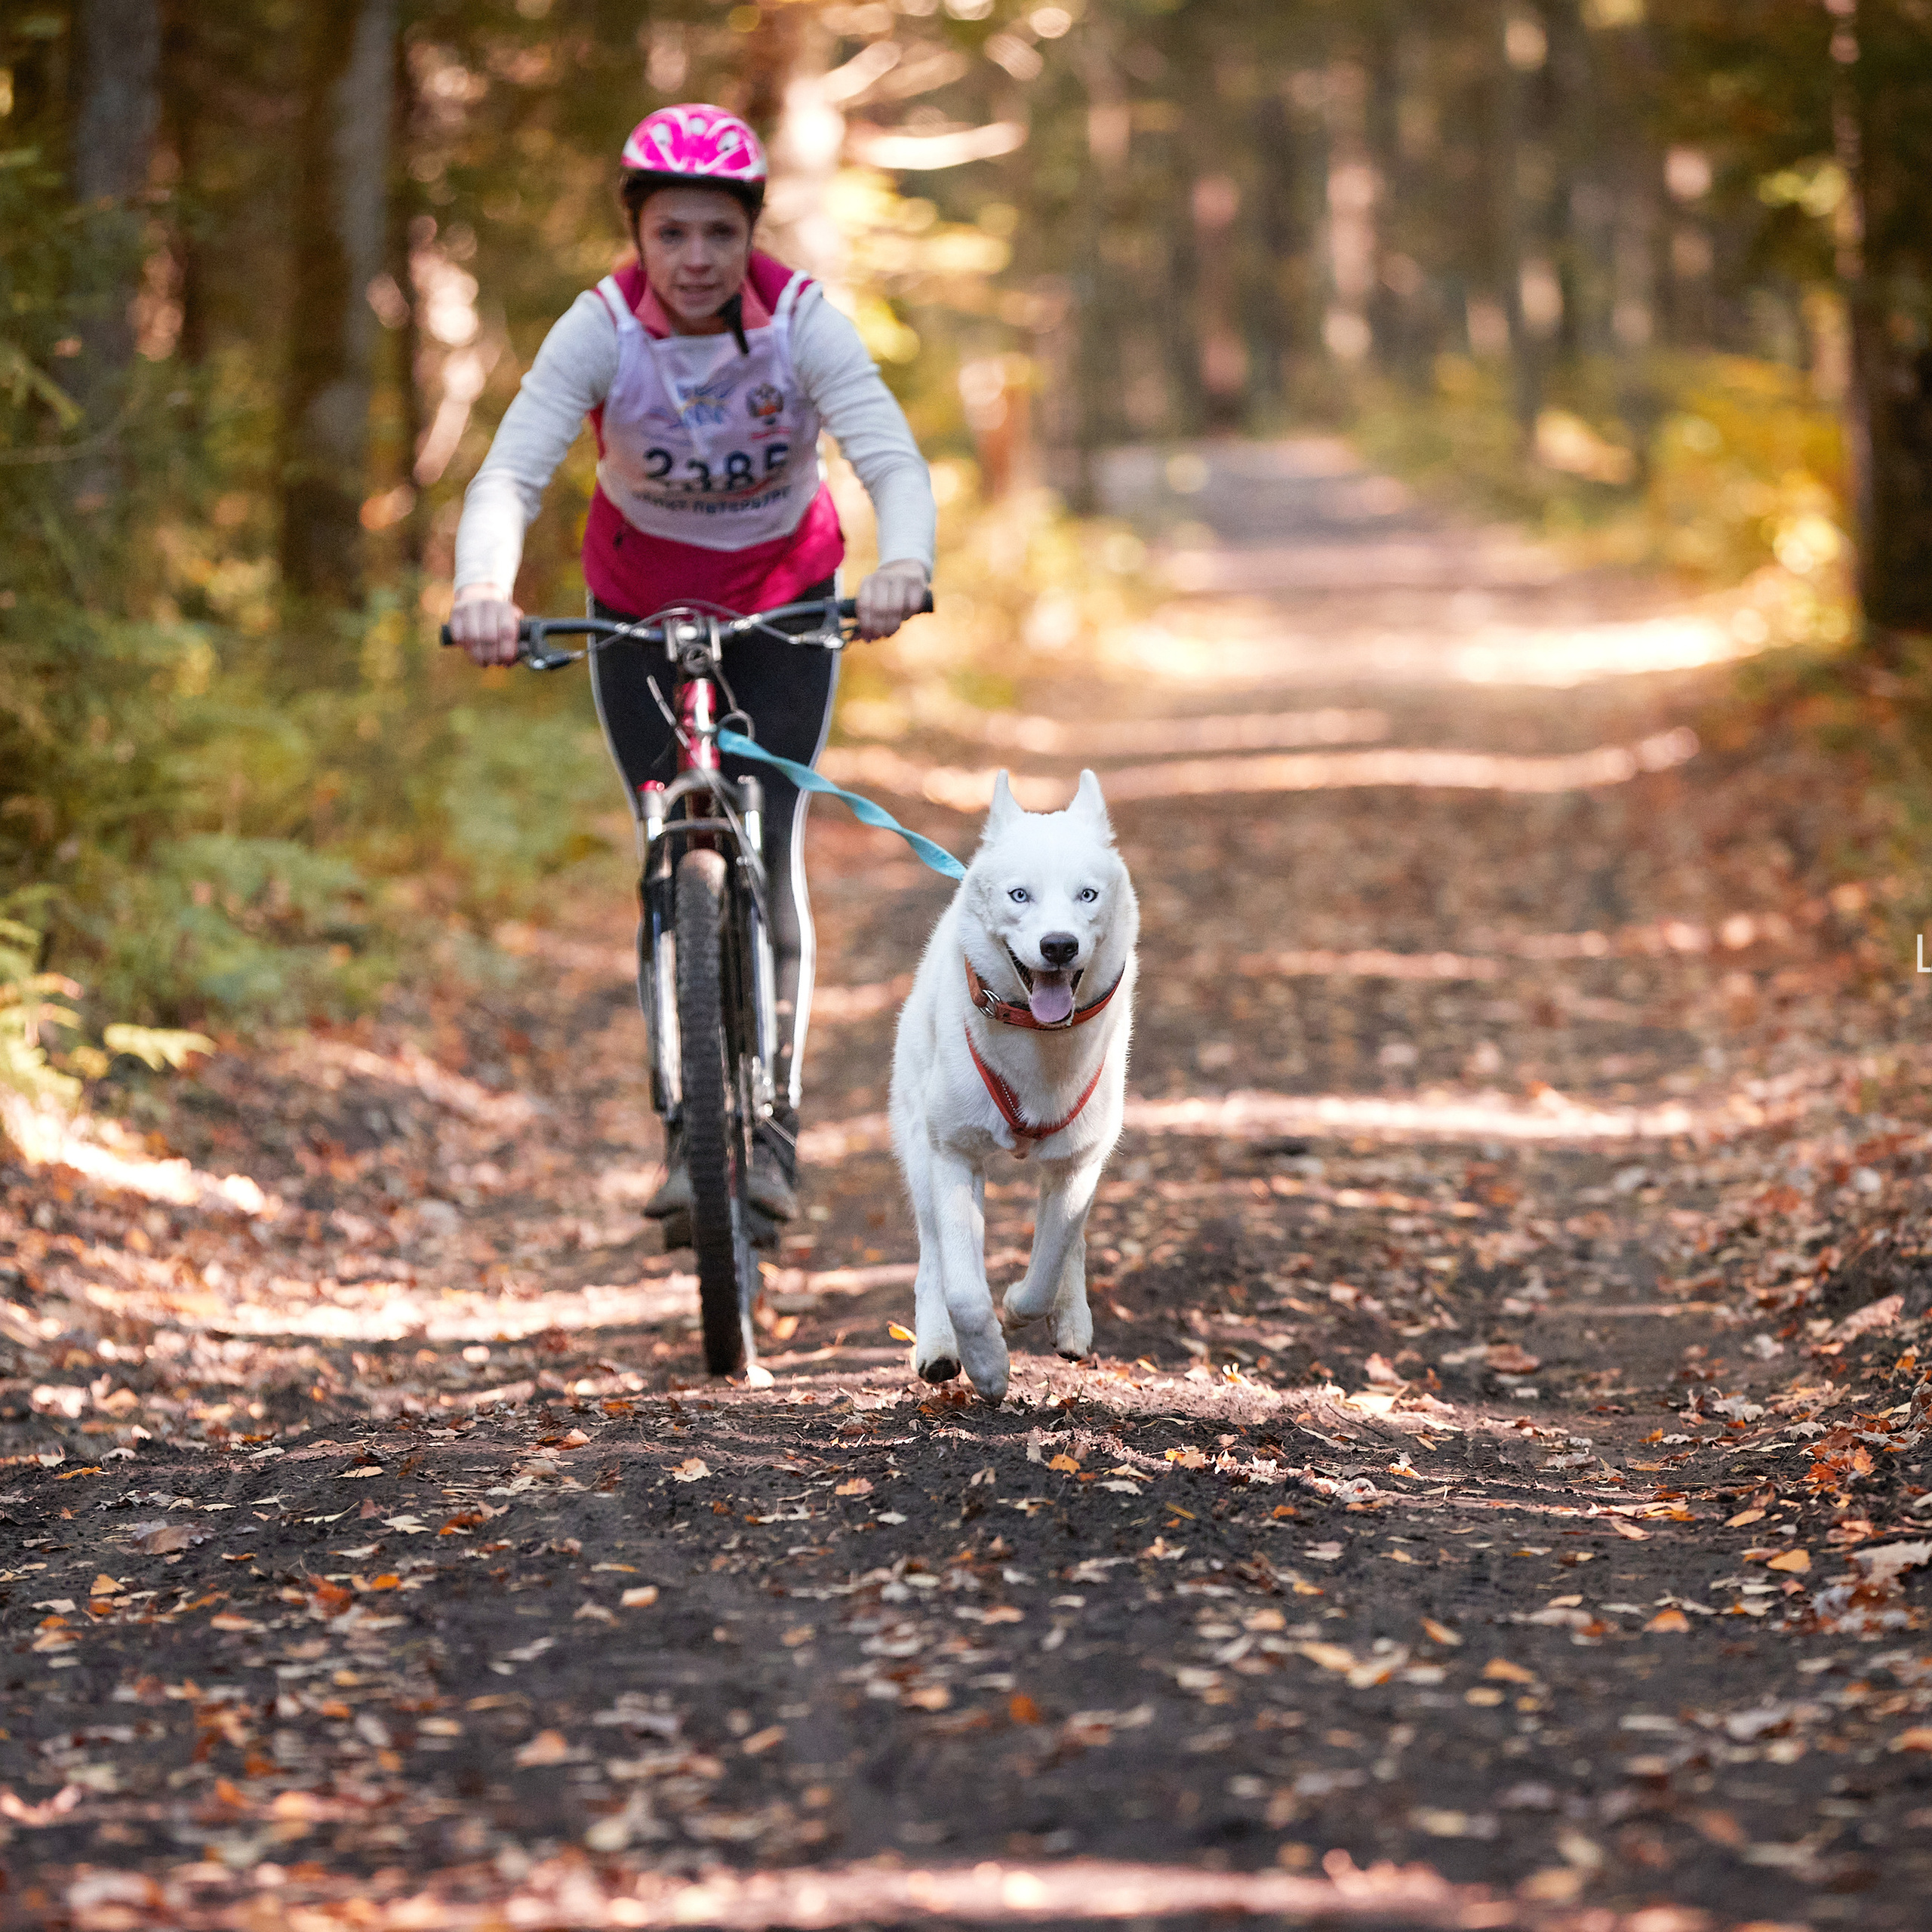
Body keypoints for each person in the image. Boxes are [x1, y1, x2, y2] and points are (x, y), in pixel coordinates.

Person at [449, 102, 935, 1232]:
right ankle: (687, 1131)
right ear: (639, 233)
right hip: (636, 606)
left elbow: (889, 455)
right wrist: (481, 589)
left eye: (720, 232)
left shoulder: (800, 322)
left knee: (770, 834)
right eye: (672, 233)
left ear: (751, 232)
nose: (698, 258)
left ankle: (776, 1130)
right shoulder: (600, 329)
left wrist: (903, 565)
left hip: (784, 604)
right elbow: (511, 473)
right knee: (664, 844)